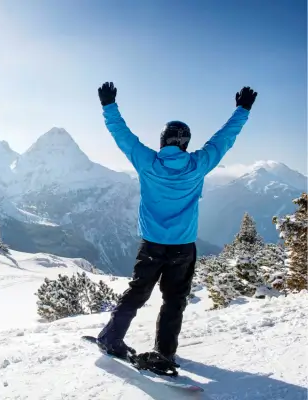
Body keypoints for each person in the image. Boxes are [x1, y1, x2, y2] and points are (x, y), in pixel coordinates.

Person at [95, 82, 258, 375]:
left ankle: (111, 338)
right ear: (185, 143)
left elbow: (122, 135)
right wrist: (242, 109)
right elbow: (224, 139)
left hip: (151, 245)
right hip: (183, 247)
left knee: (136, 293)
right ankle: (165, 353)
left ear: (162, 141)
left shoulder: (147, 162)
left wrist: (109, 105)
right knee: (174, 300)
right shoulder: (199, 164)